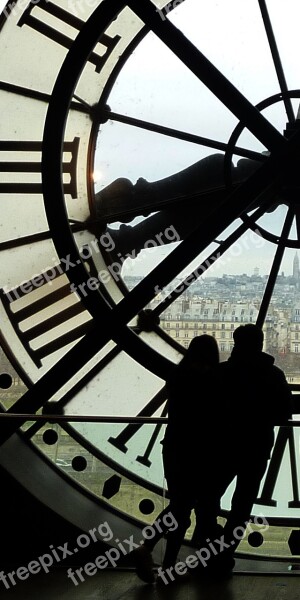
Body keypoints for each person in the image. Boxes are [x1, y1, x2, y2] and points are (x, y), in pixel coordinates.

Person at [193, 323, 293, 574]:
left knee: (207, 497)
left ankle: (210, 547)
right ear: (260, 344)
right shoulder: (274, 375)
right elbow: (283, 413)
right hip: (256, 448)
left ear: (237, 344)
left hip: (222, 447)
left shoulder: (221, 374)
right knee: (241, 507)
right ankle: (225, 552)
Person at [132, 334, 220, 583]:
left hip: (174, 448)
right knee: (183, 509)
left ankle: (156, 554)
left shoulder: (179, 377)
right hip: (199, 451)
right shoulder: (212, 380)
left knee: (179, 506)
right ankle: (162, 560)